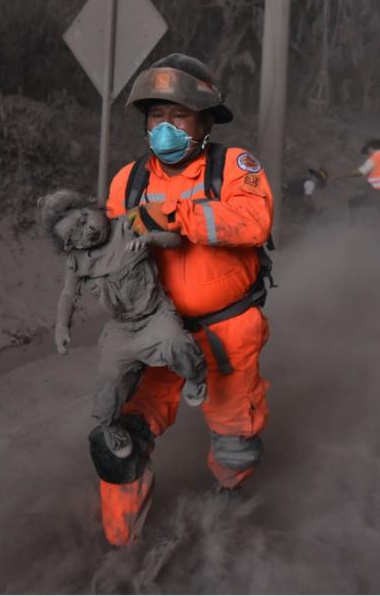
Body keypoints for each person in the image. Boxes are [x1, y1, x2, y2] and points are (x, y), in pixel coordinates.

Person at [97, 53, 274, 547]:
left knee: (235, 438)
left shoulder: (235, 167)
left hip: (227, 329)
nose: (165, 127)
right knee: (120, 436)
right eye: (157, 116)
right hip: (155, 330)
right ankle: (121, 545)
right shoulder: (128, 181)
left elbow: (253, 222)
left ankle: (227, 515)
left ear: (205, 120)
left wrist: (175, 215)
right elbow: (115, 244)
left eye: (178, 116)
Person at [37, 189, 208, 462]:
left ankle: (196, 378)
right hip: (122, 327)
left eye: (83, 219)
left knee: (177, 342)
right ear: (69, 246)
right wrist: (61, 328)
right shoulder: (78, 261)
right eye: (74, 235)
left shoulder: (129, 224)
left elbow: (175, 241)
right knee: (108, 377)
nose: (87, 231)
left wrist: (152, 237)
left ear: (93, 207)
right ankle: (110, 426)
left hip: (155, 314)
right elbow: (69, 294)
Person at [338, 138, 380, 219]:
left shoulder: (374, 159)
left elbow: (359, 173)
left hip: (376, 194)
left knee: (353, 202)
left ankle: (353, 226)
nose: (368, 152)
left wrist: (343, 175)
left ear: (370, 148)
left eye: (368, 149)